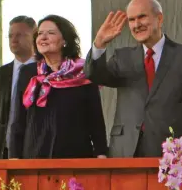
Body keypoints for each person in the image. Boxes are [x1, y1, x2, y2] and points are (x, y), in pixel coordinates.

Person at [84, 0, 182, 157]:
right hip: (125, 151)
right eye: (131, 20)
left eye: (142, 17)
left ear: (159, 18)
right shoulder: (123, 58)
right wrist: (99, 43)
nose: (137, 25)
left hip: (170, 154)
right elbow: (94, 75)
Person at [9, 15, 108, 159]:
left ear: (65, 41)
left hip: (75, 158)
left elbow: (95, 118)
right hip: (34, 158)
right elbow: (18, 120)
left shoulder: (82, 71)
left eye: (50, 33)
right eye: (40, 34)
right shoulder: (28, 72)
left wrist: (101, 153)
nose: (43, 37)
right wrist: (14, 157)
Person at [0, 15, 37, 159]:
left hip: (37, 153)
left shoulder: (46, 71)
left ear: (34, 37)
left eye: (20, 35)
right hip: (4, 153)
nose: (14, 39)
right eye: (10, 36)